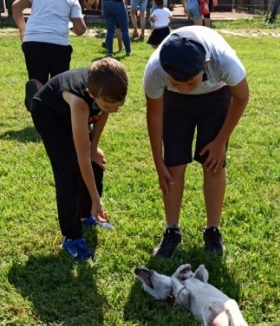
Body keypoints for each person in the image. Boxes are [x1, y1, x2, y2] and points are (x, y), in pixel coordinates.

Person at [143, 26, 249, 258]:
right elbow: (155, 114)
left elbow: (241, 97)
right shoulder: (155, 70)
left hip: (216, 98)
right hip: (174, 106)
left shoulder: (224, 61)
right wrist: (158, 161)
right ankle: (172, 231)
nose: (184, 88)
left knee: (213, 164)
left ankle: (213, 230)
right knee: (173, 167)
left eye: (190, 83)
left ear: (206, 64)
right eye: (175, 81)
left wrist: (221, 141)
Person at [23, 59, 129, 260]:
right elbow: (82, 157)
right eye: (109, 105)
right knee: (69, 173)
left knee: (95, 161)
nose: (114, 110)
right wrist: (97, 200)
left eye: (119, 105)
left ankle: (85, 216)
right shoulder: (81, 102)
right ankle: (71, 237)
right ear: (92, 93)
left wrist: (94, 148)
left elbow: (103, 112)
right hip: (50, 114)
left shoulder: (106, 91)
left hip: (74, 110)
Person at [12, 0, 87, 85]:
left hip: (32, 41)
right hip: (58, 44)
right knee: (58, 83)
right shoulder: (73, 1)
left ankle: (35, 93)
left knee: (37, 81)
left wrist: (22, 30)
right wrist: (70, 25)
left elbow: (16, 6)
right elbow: (80, 30)